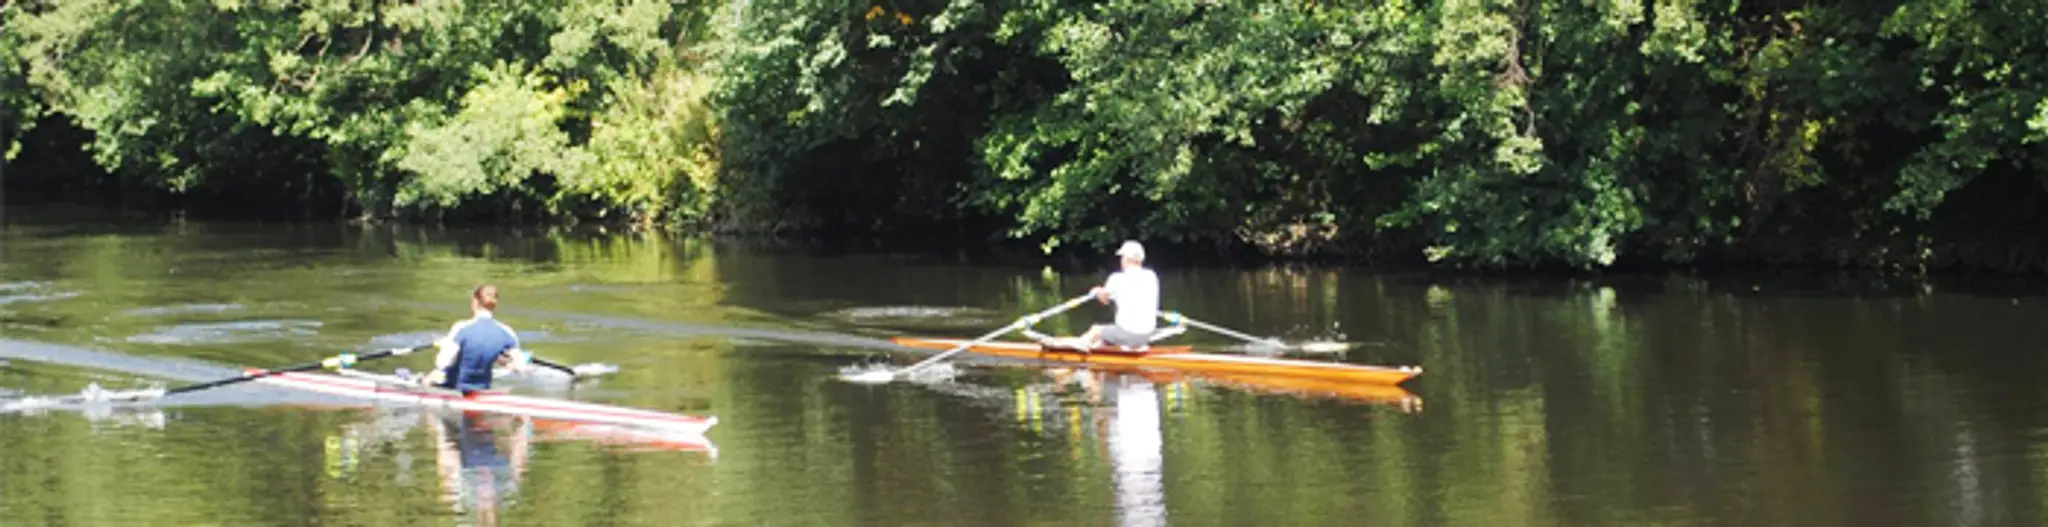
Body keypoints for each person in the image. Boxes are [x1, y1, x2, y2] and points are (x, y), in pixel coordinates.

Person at [1049, 240, 1160, 351]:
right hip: (1147, 334)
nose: (1121, 261)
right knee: (1105, 336)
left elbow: (1104, 299)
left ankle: (1076, 348)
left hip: (1129, 333)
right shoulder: (1151, 276)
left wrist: (1096, 291)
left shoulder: (1117, 278)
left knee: (1096, 330)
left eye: (1122, 257)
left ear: (1126, 259)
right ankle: (1104, 350)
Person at [423, 285, 532, 392]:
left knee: (428, 378)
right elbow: (521, 368)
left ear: (475, 302)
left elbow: (443, 363)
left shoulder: (462, 328)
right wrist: (507, 363)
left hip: (456, 388)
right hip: (484, 389)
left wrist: (445, 345)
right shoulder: (507, 332)